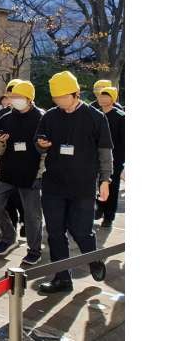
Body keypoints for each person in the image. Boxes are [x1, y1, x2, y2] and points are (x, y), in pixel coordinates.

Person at [35, 71, 113, 294]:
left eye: (63, 97)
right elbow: (38, 142)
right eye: (55, 98)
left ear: (75, 93)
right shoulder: (50, 116)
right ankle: (62, 279)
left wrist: (105, 180)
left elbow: (105, 152)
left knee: (81, 231)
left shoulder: (95, 117)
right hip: (54, 184)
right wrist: (41, 145)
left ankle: (93, 258)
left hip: (83, 185)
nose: (59, 101)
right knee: (55, 233)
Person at [0, 80, 45, 265]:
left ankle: (34, 250)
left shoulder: (41, 118)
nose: (14, 100)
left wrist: (42, 170)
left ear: (29, 98)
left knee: (32, 215)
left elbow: (47, 148)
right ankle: (8, 236)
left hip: (31, 173)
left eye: (18, 97)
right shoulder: (5, 118)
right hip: (7, 170)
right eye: (12, 97)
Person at [0, 78, 26, 236]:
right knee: (7, 200)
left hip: (26, 167)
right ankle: (10, 228)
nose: (12, 98)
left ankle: (26, 223)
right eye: (10, 95)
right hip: (7, 164)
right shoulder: (3, 115)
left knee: (22, 199)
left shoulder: (36, 115)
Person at [95, 86, 125, 228]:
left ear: (113, 99)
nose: (102, 99)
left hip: (115, 159)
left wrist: (121, 161)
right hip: (96, 158)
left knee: (112, 187)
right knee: (97, 185)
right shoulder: (95, 114)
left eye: (106, 96)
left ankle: (109, 216)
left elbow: (124, 141)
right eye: (101, 96)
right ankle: (99, 209)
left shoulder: (120, 116)